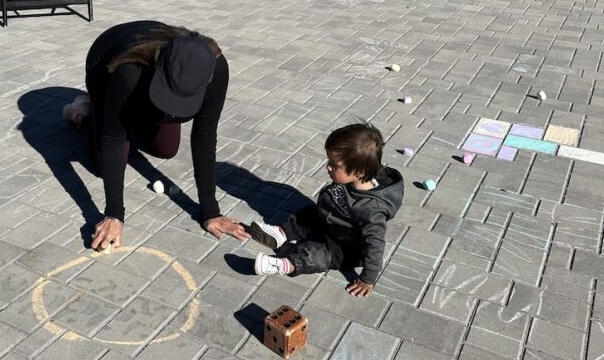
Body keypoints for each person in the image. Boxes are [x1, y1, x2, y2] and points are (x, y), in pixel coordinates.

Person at [84, 20, 248, 253]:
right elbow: (112, 140)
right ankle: (84, 115)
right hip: (106, 64)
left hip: (149, 76)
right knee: (105, 163)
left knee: (166, 149)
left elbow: (204, 138)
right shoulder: (130, 71)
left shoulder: (217, 69)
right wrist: (114, 214)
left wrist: (211, 212)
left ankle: (126, 116)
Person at [248, 122, 403, 295]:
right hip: (329, 220)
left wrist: (368, 278)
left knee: (319, 257)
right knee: (307, 214)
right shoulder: (350, 177)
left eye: (334, 165)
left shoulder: (372, 210)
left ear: (359, 172)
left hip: (345, 247)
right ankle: (281, 234)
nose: (328, 167)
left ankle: (285, 264)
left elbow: (375, 244)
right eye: (329, 161)